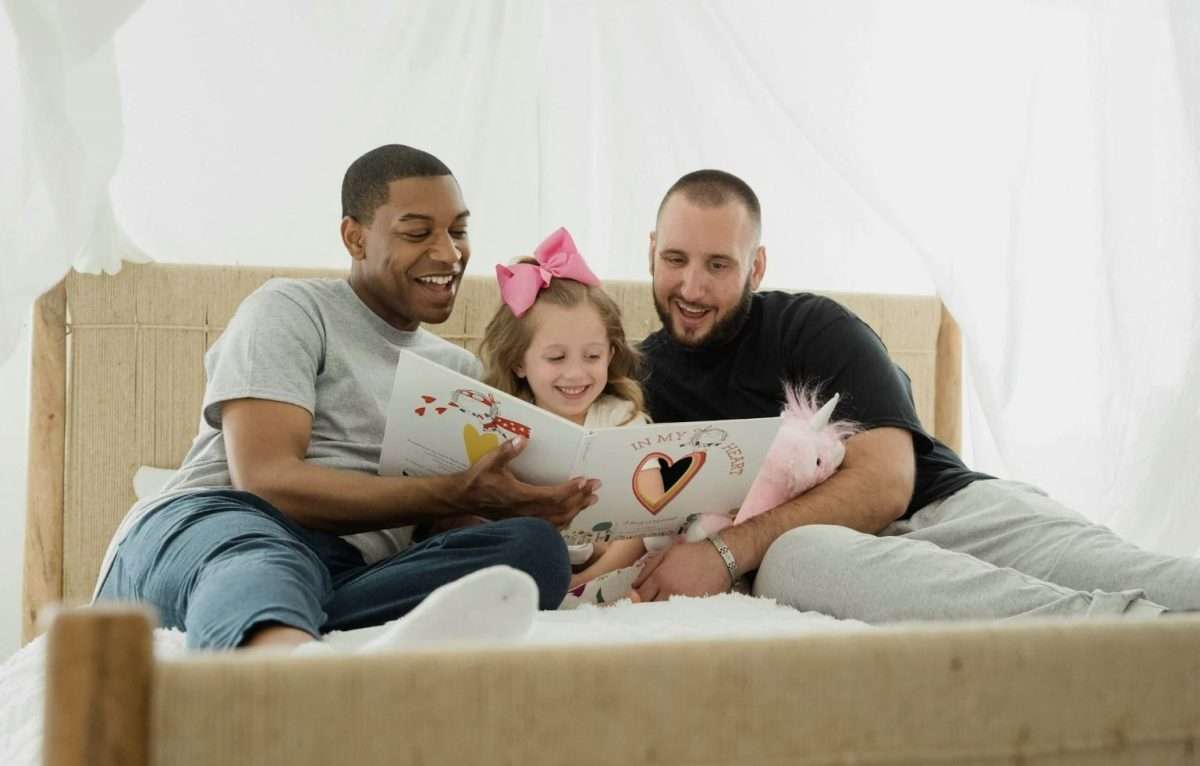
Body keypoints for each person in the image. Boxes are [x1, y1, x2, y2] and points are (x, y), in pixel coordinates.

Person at [632, 168, 1200, 620]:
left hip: (948, 509)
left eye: (719, 265)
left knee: (1150, 576)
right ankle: (1137, 641)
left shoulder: (814, 327)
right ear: (653, 250)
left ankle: (1150, 629)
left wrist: (726, 553)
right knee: (794, 560)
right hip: (822, 554)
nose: (692, 287)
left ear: (756, 267)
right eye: (676, 260)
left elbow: (886, 482)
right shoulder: (638, 380)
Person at [93, 145, 599, 651]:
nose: (449, 253)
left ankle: (297, 625)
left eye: (458, 231)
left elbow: (439, 521)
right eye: (418, 232)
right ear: (354, 238)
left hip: (343, 568)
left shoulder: (458, 372)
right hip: (221, 525)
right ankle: (280, 676)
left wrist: (523, 506)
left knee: (531, 554)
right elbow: (267, 482)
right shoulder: (291, 309)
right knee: (268, 559)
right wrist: (457, 491)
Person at [480, 227, 648, 589]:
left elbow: (639, 534)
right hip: (522, 560)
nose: (576, 373)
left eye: (592, 356)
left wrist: (584, 582)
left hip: (602, 572)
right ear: (519, 362)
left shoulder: (622, 420)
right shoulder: (502, 424)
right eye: (556, 357)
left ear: (611, 355)